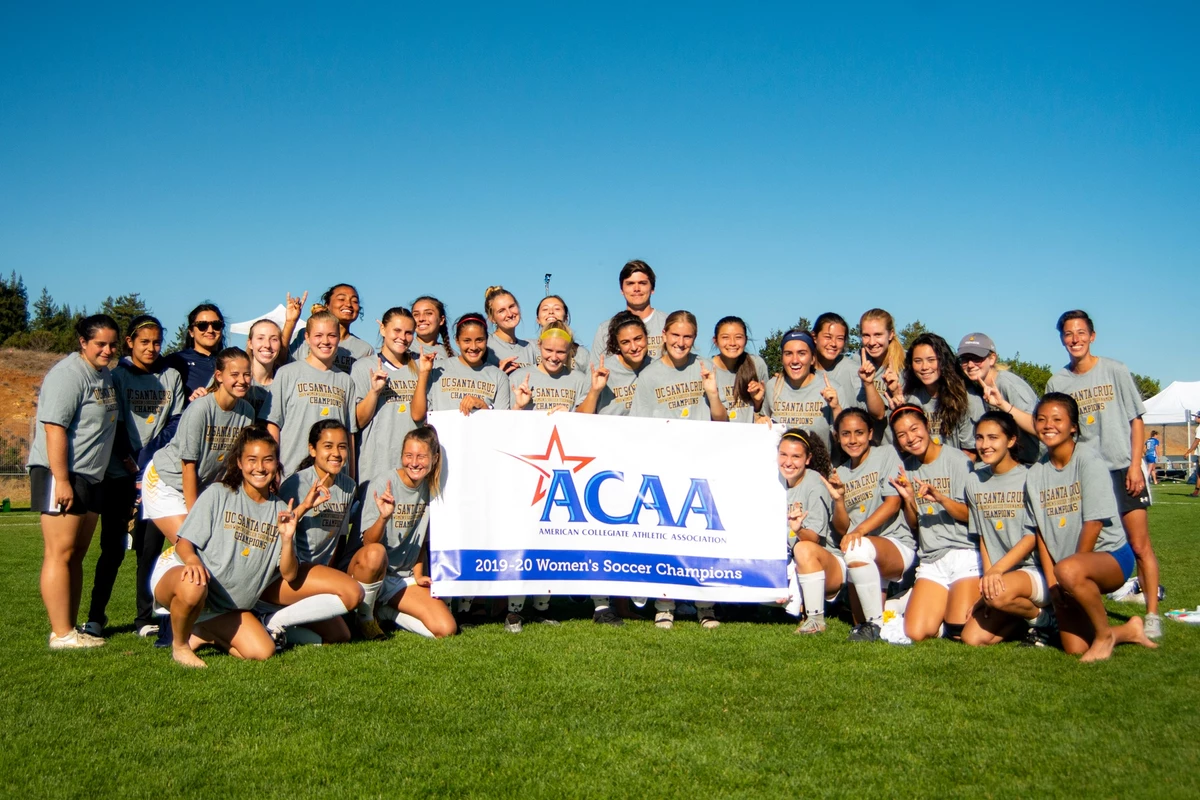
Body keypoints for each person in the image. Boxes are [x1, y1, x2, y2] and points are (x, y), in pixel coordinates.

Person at [1045, 310, 1162, 640]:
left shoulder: (1115, 369)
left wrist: (1136, 465)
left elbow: (1136, 420)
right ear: (1062, 339)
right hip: (1084, 474)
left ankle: (1152, 614)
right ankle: (1082, 608)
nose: (1075, 339)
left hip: (1122, 469)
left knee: (1139, 545)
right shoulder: (1057, 382)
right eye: (1069, 334)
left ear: (1092, 336)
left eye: (1081, 332)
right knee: (1085, 546)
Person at [149, 426, 298, 667]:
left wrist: (287, 538)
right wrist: (192, 561)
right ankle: (180, 646)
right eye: (252, 460)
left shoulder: (280, 511)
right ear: (239, 462)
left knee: (264, 651)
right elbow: (183, 543)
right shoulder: (219, 493)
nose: (260, 467)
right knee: (194, 585)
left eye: (267, 460)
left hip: (226, 608)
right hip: (185, 575)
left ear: (276, 464)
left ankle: (203, 631)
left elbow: (289, 574)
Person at [1025, 393, 1156, 661]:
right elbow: (1041, 533)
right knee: (1075, 647)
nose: (1048, 425)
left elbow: (1094, 523)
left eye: (1057, 419)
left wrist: (1069, 573)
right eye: (1041, 419)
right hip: (1067, 570)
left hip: (1111, 557)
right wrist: (1053, 583)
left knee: (1070, 570)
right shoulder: (1035, 473)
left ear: (1073, 426)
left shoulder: (1089, 460)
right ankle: (1129, 630)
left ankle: (1104, 636)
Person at [505, 322, 608, 631]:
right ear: (539, 347)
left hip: (566, 469)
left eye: (561, 352)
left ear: (569, 352)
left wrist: (577, 408)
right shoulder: (519, 377)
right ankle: (514, 609)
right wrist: (519, 407)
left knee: (552, 534)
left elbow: (587, 420)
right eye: (548, 350)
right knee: (524, 534)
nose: (554, 356)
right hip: (528, 465)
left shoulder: (579, 379)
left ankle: (542, 606)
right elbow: (504, 426)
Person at [87, 315, 185, 640]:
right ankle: (95, 617)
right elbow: (112, 424)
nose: (151, 348)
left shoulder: (171, 377)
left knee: (149, 550)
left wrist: (147, 464)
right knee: (112, 549)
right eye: (144, 341)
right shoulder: (117, 376)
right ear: (129, 342)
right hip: (119, 475)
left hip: (155, 478)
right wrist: (132, 465)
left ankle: (144, 618)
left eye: (157, 342)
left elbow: (175, 424)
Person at [27, 314, 120, 649]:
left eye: (112, 344)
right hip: (63, 473)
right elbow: (54, 428)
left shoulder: (104, 374)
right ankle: (61, 633)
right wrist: (62, 480)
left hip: (91, 476)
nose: (107, 350)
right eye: (100, 344)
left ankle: (69, 627)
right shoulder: (68, 375)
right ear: (83, 342)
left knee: (77, 553)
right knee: (60, 552)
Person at [628, 310, 725, 629]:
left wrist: (712, 392)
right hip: (664, 466)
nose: (681, 342)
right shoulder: (649, 376)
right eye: (675, 335)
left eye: (687, 336)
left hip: (700, 463)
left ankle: (705, 606)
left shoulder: (705, 367)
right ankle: (664, 605)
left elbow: (721, 421)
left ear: (694, 338)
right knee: (665, 535)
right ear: (665, 336)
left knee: (701, 535)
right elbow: (638, 427)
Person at [265, 420, 365, 645]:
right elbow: (276, 534)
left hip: (317, 574)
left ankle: (268, 624)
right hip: (286, 575)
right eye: (328, 446)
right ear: (312, 450)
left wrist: (331, 577)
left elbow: (337, 540)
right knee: (353, 593)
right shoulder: (296, 484)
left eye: (342, 446)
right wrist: (305, 507)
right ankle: (275, 621)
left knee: (340, 635)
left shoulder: (348, 486)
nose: (336, 453)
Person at [351, 426, 456, 639]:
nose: (414, 463)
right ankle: (364, 618)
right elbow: (368, 543)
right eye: (408, 456)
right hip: (369, 572)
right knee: (376, 553)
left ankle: (386, 612)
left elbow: (420, 536)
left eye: (421, 457)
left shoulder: (431, 488)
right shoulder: (384, 483)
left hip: (401, 578)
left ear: (435, 458)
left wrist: (418, 574)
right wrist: (383, 518)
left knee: (446, 629)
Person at [143, 348, 256, 544]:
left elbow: (230, 466)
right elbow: (188, 466)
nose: (242, 380)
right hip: (166, 481)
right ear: (219, 376)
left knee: (210, 547)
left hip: (199, 485)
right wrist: (196, 517)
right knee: (190, 544)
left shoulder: (247, 413)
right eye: (235, 374)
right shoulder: (201, 408)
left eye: (247, 374)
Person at [960, 412, 1051, 647]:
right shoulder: (974, 481)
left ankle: (1047, 622)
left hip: (1035, 571)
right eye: (979, 438)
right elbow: (984, 536)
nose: (985, 445)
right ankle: (1026, 619)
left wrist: (996, 572)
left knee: (998, 596)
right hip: (1001, 574)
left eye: (993, 438)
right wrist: (987, 581)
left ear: (1011, 440)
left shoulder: (1030, 477)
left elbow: (1032, 536)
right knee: (973, 638)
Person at [890, 405, 980, 642]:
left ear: (927, 426)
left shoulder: (957, 460)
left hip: (963, 552)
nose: (911, 438)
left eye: (914, 429)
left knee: (959, 628)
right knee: (917, 632)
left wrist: (941, 498)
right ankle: (929, 606)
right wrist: (909, 499)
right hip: (931, 557)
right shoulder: (906, 468)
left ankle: (948, 608)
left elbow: (971, 515)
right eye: (902, 435)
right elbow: (914, 524)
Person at [825, 407, 916, 642]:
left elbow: (893, 503)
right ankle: (902, 603)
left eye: (859, 432)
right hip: (862, 552)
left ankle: (875, 625)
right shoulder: (840, 472)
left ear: (870, 434)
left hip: (894, 544)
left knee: (869, 623)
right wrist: (839, 500)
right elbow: (842, 528)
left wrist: (859, 531)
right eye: (846, 434)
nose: (853, 440)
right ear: (837, 437)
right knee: (860, 621)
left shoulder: (886, 454)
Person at [267, 311, 358, 477]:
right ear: (307, 338)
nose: (325, 341)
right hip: (292, 475)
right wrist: (274, 471)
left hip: (335, 479)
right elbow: (274, 424)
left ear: (339, 338)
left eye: (332, 335)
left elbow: (349, 433)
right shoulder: (287, 373)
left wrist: (350, 479)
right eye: (318, 335)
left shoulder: (346, 381)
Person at [780, 430, 841, 635]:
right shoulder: (775, 480)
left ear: (808, 459)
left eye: (796, 456)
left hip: (828, 564)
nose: (788, 462)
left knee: (803, 548)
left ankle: (815, 619)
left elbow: (813, 539)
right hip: (790, 559)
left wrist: (798, 529)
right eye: (783, 454)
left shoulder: (815, 483)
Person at [352, 307, 421, 481]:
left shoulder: (422, 366)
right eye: (397, 330)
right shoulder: (363, 367)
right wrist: (374, 392)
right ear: (383, 329)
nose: (402, 337)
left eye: (408, 333)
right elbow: (358, 421)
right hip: (376, 465)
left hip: (414, 465)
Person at [755, 330, 846, 455]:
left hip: (819, 466)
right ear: (782, 358)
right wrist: (760, 421)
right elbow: (763, 425)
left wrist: (836, 409)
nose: (795, 360)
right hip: (783, 465)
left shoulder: (832, 388)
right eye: (788, 353)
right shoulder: (772, 387)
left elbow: (844, 441)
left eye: (802, 353)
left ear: (813, 358)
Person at [956, 332, 1040, 464]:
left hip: (1036, 462)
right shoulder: (977, 388)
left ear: (992, 359)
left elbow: (1038, 427)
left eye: (977, 358)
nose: (970, 365)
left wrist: (1003, 405)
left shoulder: (1008, 384)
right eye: (965, 359)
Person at [900, 332, 983, 456]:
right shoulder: (910, 397)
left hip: (958, 466)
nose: (924, 367)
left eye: (931, 360)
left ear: (943, 361)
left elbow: (970, 451)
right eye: (918, 361)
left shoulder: (967, 398)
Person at [414, 312, 513, 418]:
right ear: (457, 341)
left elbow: (501, 423)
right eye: (467, 341)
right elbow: (417, 415)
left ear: (486, 340)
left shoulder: (499, 377)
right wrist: (424, 373)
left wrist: (483, 406)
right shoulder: (437, 369)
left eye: (479, 340)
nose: (473, 347)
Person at [812, 312, 885, 424]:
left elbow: (879, 414)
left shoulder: (853, 370)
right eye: (828, 337)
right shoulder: (802, 370)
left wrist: (868, 384)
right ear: (814, 337)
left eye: (840, 338)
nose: (833, 343)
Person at [590, 260, 669, 364]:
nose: (636, 289)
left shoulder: (668, 323)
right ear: (622, 290)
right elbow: (594, 368)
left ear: (652, 288)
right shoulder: (605, 329)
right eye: (630, 283)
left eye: (642, 283)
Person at [290, 284, 375, 373]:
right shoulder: (304, 335)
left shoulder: (365, 350)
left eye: (354, 301)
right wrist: (290, 322)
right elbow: (283, 361)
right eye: (341, 299)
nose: (348, 304)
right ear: (327, 305)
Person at [858, 309, 906, 443]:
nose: (872, 342)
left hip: (901, 445)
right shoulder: (856, 362)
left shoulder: (908, 363)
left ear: (891, 334)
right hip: (869, 446)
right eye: (866, 335)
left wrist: (896, 393)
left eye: (878, 335)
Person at [164, 303, 225, 405]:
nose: (210, 330)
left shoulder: (230, 362)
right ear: (191, 331)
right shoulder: (175, 361)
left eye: (216, 325)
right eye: (202, 325)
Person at [710, 316, 767, 423]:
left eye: (738, 337)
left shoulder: (757, 364)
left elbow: (764, 411)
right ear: (715, 341)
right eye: (725, 337)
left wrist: (758, 402)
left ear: (746, 340)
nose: (732, 343)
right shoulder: (707, 370)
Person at [594, 311, 649, 416]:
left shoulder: (657, 367)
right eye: (625, 342)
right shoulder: (601, 371)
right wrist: (594, 391)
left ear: (646, 337)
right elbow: (579, 415)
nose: (634, 347)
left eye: (638, 339)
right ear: (617, 345)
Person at [484, 286, 537, 374]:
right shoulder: (486, 345)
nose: (509, 314)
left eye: (511, 306)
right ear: (492, 318)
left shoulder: (529, 347)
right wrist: (500, 375)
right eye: (501, 311)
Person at [536, 294, 590, 372]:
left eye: (557, 309)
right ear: (538, 319)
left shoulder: (581, 353)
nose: (551, 312)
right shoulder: (528, 348)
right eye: (545, 309)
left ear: (566, 318)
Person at [410, 295, 455, 364]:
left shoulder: (453, 355)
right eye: (416, 314)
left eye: (428, 313)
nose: (421, 319)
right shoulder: (404, 347)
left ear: (441, 320)